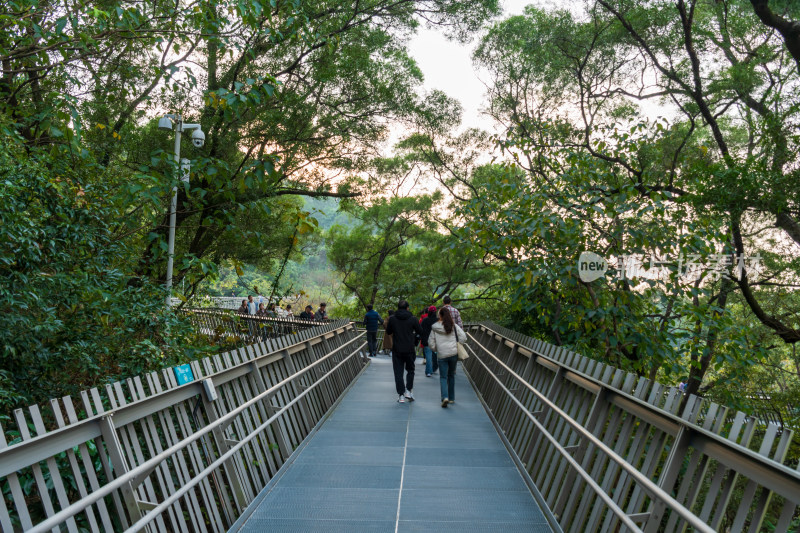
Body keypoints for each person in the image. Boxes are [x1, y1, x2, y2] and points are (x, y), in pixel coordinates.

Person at [428, 307, 466, 408]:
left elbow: (430, 342)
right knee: (451, 376)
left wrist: (436, 349)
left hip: (442, 354)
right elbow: (463, 337)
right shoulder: (454, 326)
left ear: (439, 315)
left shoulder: (435, 327)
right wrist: (457, 344)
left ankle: (444, 397)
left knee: (443, 377)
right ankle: (452, 398)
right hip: (453, 354)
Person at [385, 300, 422, 403]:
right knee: (410, 370)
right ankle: (408, 391)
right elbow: (420, 331)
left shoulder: (392, 319)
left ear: (398, 308)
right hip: (409, 348)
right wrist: (414, 338)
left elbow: (388, 331)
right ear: (407, 308)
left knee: (398, 372)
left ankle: (401, 395)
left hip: (397, 349)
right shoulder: (413, 319)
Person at [421, 305, 439, 377]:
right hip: (436, 341)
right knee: (435, 356)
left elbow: (420, 329)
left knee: (428, 357)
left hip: (427, 341)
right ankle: (434, 368)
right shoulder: (438, 320)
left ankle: (429, 371)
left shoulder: (425, 320)